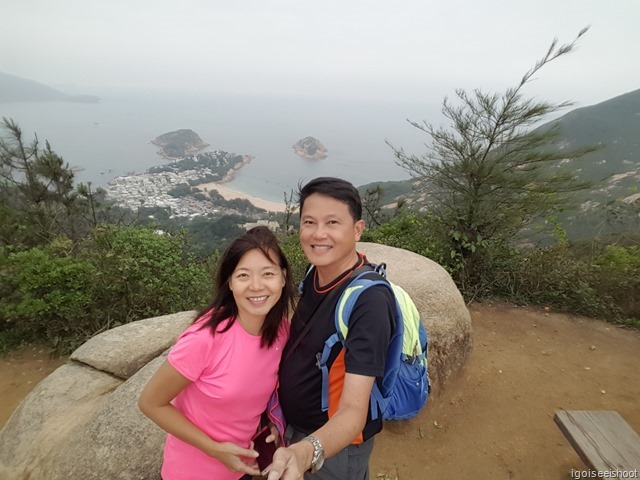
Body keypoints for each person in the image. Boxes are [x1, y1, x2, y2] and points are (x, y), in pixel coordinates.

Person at [138, 226, 294, 480]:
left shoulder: (281, 331)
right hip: (193, 472)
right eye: (243, 275)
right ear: (229, 282)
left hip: (242, 469)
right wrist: (215, 450)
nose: (256, 286)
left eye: (268, 273)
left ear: (283, 278)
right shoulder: (204, 340)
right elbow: (151, 403)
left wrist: (274, 422)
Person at [266, 177, 396, 480]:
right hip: (298, 428)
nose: (318, 233)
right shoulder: (317, 272)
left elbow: (353, 412)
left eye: (332, 222)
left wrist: (304, 450)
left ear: (358, 229)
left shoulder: (370, 302)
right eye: (309, 222)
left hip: (335, 445)